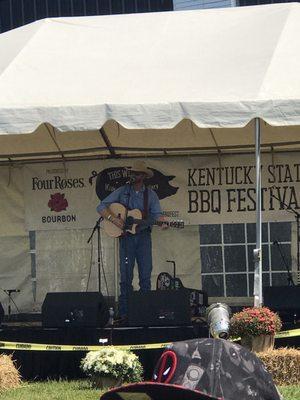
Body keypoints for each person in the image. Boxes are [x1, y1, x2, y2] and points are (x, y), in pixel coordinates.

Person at [97, 160, 167, 318]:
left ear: (143, 176)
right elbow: (101, 207)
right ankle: (124, 314)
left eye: (136, 173)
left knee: (145, 276)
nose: (133, 175)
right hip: (126, 238)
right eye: (132, 173)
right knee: (126, 276)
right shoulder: (123, 191)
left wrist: (163, 222)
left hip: (143, 237)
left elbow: (157, 216)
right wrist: (114, 219)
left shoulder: (151, 194)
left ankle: (144, 313)